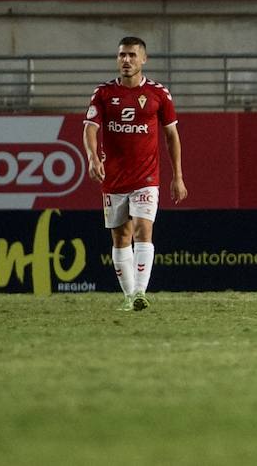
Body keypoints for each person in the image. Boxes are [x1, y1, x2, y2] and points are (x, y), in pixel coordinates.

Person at [83, 36, 184, 312]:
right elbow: (90, 128)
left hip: (146, 178)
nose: (126, 60)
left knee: (143, 229)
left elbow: (172, 135)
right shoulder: (103, 94)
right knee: (121, 237)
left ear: (143, 59)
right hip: (113, 179)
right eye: (121, 55)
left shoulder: (158, 94)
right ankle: (129, 296)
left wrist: (178, 176)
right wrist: (93, 157)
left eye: (131, 55)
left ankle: (140, 291)